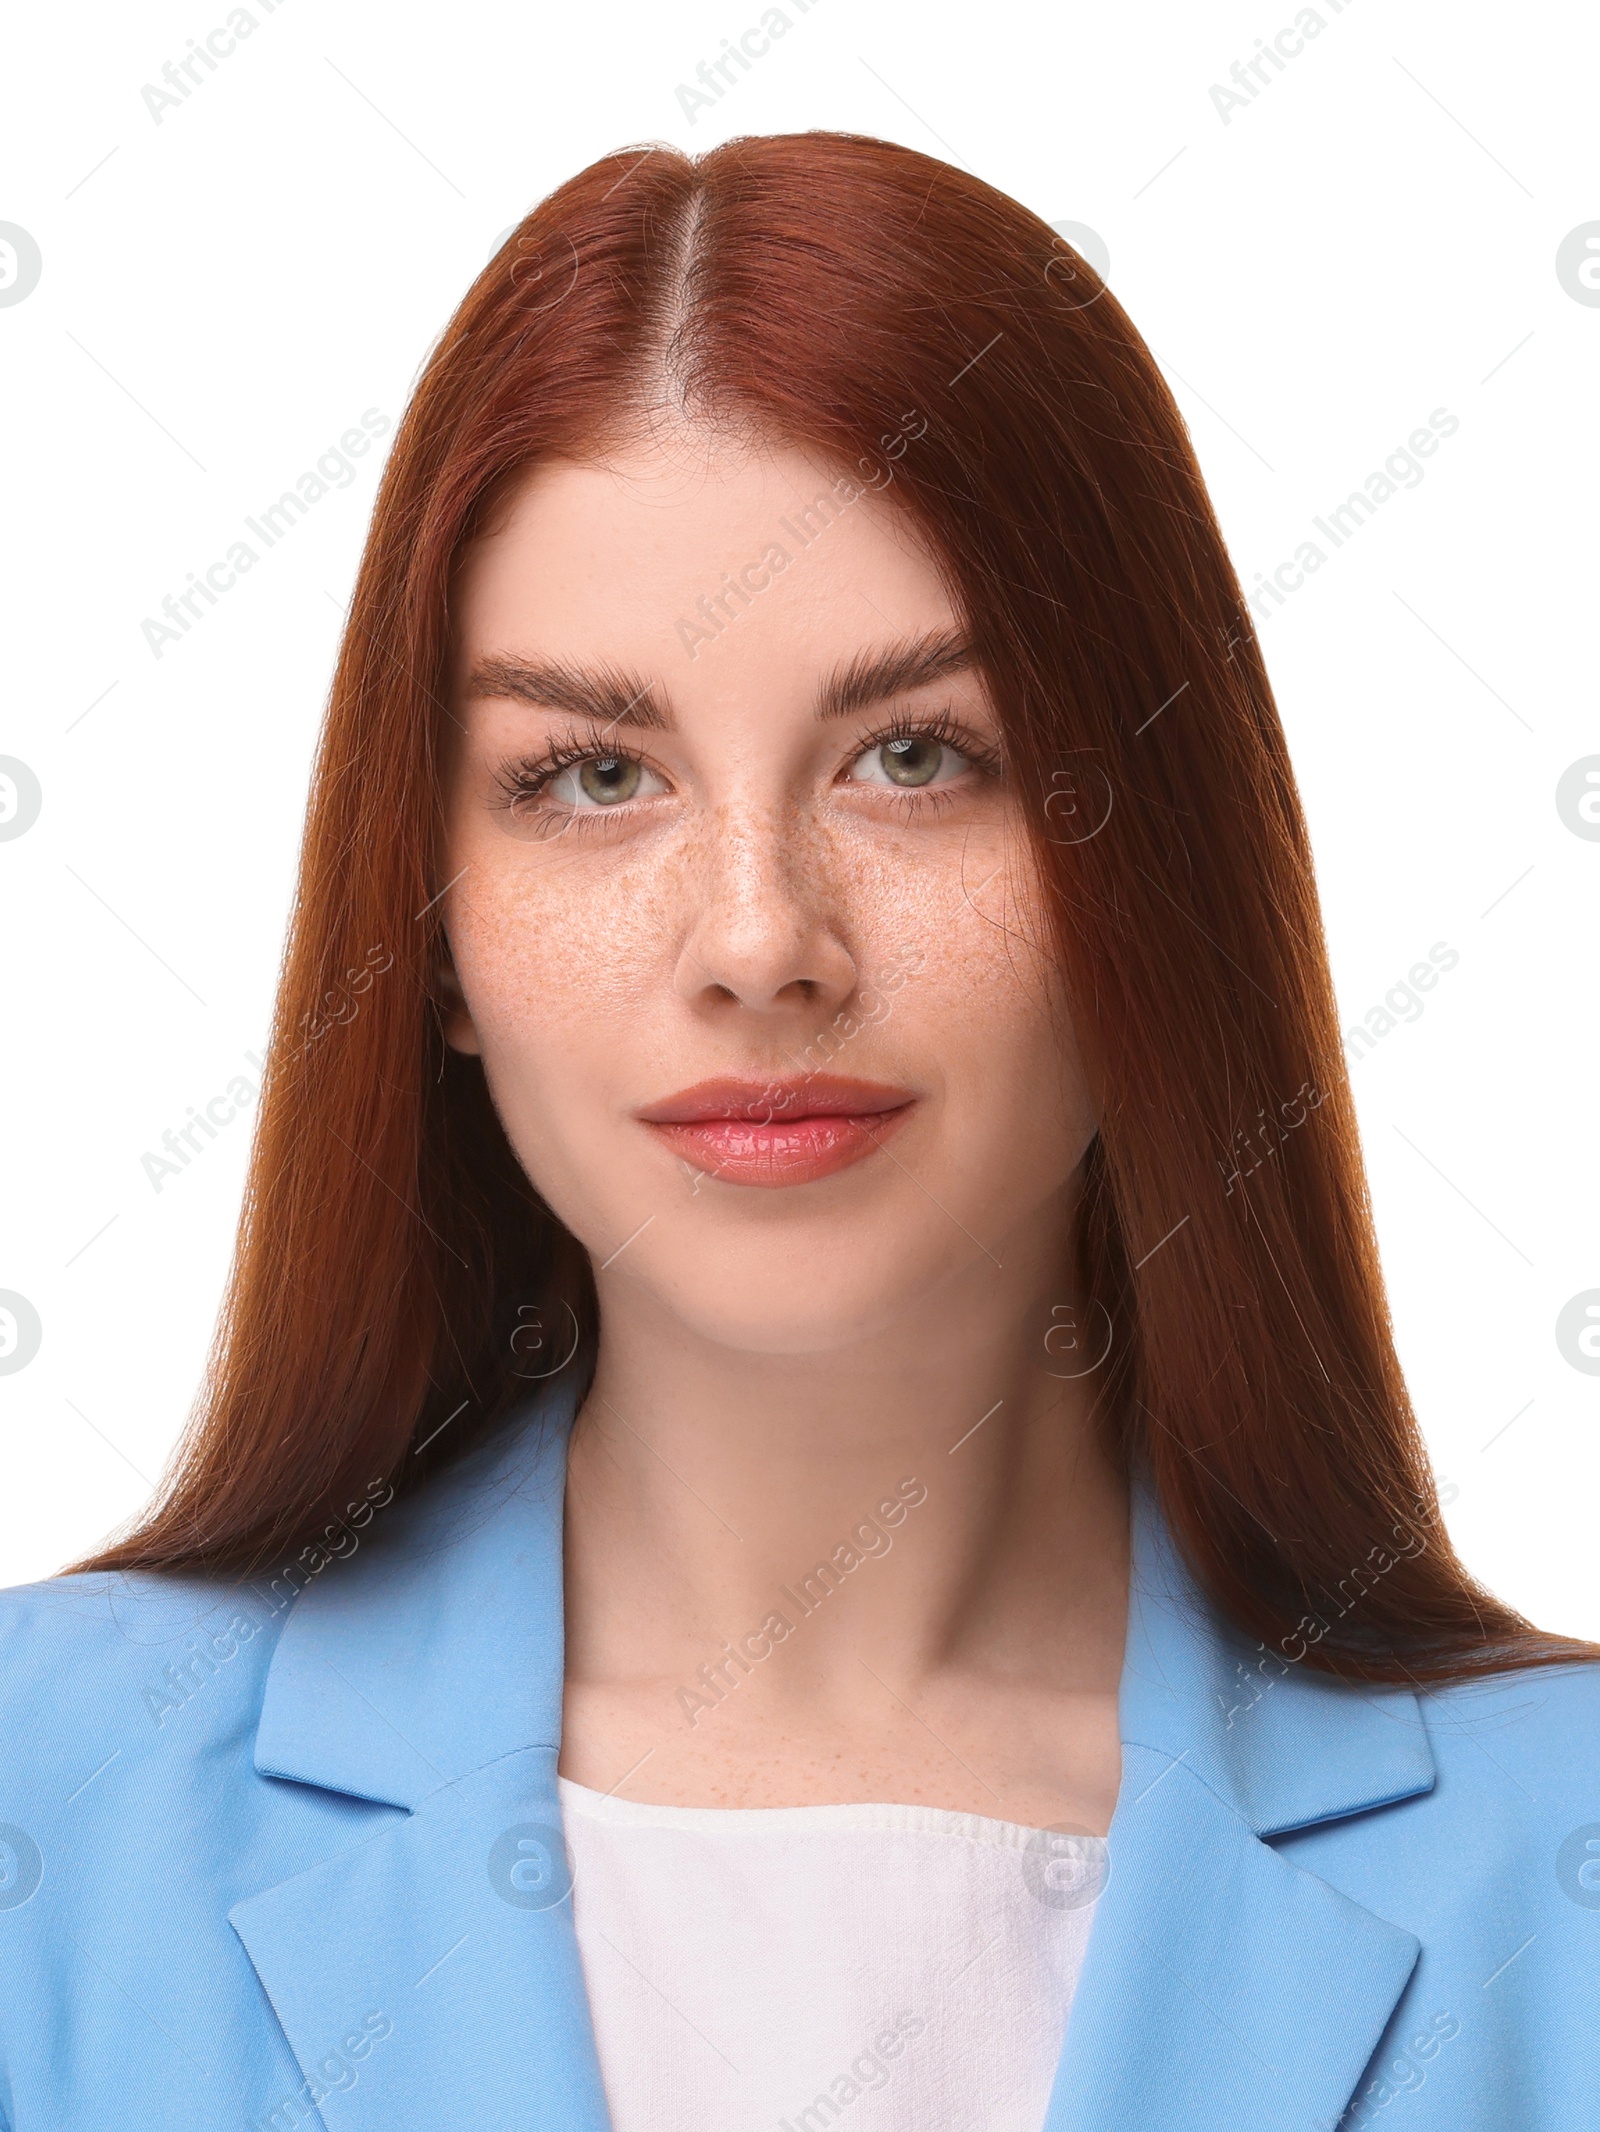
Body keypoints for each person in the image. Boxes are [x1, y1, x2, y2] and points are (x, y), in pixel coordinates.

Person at [0, 132, 1594, 2132]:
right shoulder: (44, 1805)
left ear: (1150, 865)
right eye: (590, 773)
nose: (759, 938)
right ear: (433, 929)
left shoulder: (1564, 1869)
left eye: (915, 755)